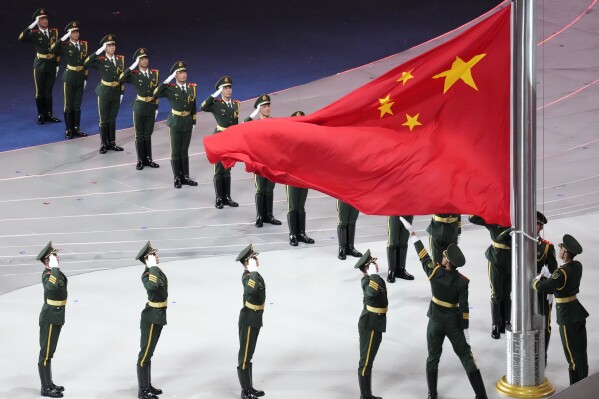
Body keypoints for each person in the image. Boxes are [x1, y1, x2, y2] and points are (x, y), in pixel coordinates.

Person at [400, 217, 487, 399]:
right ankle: (481, 395)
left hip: (436, 321)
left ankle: (432, 394)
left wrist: (413, 233)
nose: (442, 256)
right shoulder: (463, 282)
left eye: (445, 256)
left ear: (447, 262)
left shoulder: (435, 273)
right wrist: (465, 329)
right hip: (454, 323)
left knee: (433, 358)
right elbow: (464, 307)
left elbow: (423, 255)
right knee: (466, 356)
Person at [533, 234, 588, 385]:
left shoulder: (561, 273)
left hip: (567, 315)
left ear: (564, 253)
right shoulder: (577, 266)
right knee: (581, 353)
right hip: (577, 311)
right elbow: (559, 281)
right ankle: (584, 383)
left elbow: (540, 287)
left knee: (572, 357)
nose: (559, 251)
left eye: (561, 249)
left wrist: (537, 279)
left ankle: (576, 388)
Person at [153, 61, 198, 189]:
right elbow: (156, 93)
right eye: (180, 73)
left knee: (184, 151)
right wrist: (167, 80)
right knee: (175, 151)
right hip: (175, 121)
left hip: (187, 121)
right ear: (175, 75)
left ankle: (186, 177)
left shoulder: (192, 88)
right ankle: (177, 177)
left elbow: (193, 106)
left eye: (184, 72)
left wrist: (193, 121)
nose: (183, 75)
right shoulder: (170, 88)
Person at [468, 215, 513, 339]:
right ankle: (496, 325)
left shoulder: (515, 221)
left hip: (511, 260)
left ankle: (506, 323)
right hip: (496, 260)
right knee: (497, 294)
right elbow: (472, 219)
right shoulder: (494, 220)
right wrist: (484, 210)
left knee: (507, 294)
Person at [134, 241, 168, 399]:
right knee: (145, 353)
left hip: (158, 314)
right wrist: (153, 266)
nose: (157, 256)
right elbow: (153, 287)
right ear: (148, 259)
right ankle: (142, 390)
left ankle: (147, 385)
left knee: (150, 352)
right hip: (151, 316)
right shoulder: (148, 275)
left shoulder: (156, 272)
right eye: (154, 255)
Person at [200, 76, 239, 209]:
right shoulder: (216, 104)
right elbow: (203, 106)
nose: (229, 90)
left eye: (229, 87)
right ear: (221, 90)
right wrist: (215, 93)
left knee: (227, 169)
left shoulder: (235, 104)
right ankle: (218, 198)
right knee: (218, 169)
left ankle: (227, 197)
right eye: (225, 88)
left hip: (230, 139)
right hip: (219, 138)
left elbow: (236, 123)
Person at [18, 8, 61, 125]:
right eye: (42, 19)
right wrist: (32, 25)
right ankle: (41, 114)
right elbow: (21, 38)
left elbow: (57, 49)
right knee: (40, 91)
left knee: (49, 91)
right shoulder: (34, 33)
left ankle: (49, 114)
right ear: (37, 22)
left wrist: (57, 64)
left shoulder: (54, 32)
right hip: (40, 65)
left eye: (46, 18)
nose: (45, 21)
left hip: (51, 65)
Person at [119, 48, 160, 170]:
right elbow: (121, 79)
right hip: (140, 106)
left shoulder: (154, 74)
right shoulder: (134, 75)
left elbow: (156, 92)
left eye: (146, 58)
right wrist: (132, 66)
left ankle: (148, 159)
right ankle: (140, 160)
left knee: (148, 134)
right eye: (141, 59)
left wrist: (156, 106)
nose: (145, 61)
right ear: (137, 61)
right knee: (139, 134)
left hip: (151, 106)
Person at [36, 241, 67, 398]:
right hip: (50, 316)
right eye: (54, 256)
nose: (58, 258)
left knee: (50, 351)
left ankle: (49, 382)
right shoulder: (48, 275)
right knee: (46, 352)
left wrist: (55, 268)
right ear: (47, 261)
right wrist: (54, 267)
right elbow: (52, 287)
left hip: (57, 315)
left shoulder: (55, 273)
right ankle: (45, 388)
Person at [354, 250, 387, 399]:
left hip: (377, 321)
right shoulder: (367, 281)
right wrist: (373, 275)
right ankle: (365, 396)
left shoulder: (376, 279)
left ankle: (367, 395)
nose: (376, 264)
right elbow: (372, 293)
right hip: (370, 323)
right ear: (368, 268)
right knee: (365, 362)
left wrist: (374, 275)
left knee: (369, 360)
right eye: (373, 263)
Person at [84, 34, 125, 153]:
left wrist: (122, 92)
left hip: (116, 91)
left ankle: (112, 142)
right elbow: (86, 62)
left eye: (113, 45)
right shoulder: (100, 60)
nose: (112, 47)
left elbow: (121, 77)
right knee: (104, 119)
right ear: (105, 48)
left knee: (112, 119)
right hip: (105, 91)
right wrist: (98, 52)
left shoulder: (120, 59)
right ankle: (103, 143)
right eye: (109, 45)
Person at [244, 95, 281, 227]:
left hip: (271, 161)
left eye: (268, 106)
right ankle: (260, 215)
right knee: (260, 189)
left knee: (269, 188)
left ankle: (269, 215)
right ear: (259, 109)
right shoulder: (254, 124)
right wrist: (255, 112)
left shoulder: (274, 122)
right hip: (259, 161)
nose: (267, 109)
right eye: (264, 107)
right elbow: (244, 124)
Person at [235, 244, 266, 399]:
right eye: (254, 258)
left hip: (255, 318)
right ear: (247, 262)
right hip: (248, 319)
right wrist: (253, 271)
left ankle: (249, 388)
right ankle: (244, 391)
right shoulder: (248, 276)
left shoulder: (255, 275)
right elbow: (252, 290)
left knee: (250, 353)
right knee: (245, 355)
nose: (257, 259)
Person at [49, 21, 88, 139]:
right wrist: (63, 38)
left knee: (77, 105)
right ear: (69, 34)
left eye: (77, 31)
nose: (76, 34)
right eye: (73, 32)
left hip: (80, 76)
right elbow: (52, 50)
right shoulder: (65, 46)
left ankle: (76, 127)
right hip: (70, 76)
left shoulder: (84, 45)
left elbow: (85, 62)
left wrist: (85, 77)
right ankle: (68, 129)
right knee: (68, 105)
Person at [285, 111, 315, 246]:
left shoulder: (308, 139)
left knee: (301, 205)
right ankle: (292, 233)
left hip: (304, 175)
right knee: (293, 205)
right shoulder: (288, 139)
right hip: (291, 176)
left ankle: (301, 233)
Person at [535, 211, 557, 365]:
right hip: (522, 289)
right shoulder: (518, 242)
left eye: (535, 223)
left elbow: (554, 271)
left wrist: (549, 290)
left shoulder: (546, 247)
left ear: (540, 227)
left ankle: (542, 356)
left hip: (540, 290)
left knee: (543, 323)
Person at [386, 216, 414, 282]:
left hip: (408, 213)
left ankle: (401, 269)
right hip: (394, 213)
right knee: (392, 243)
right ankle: (392, 270)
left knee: (403, 242)